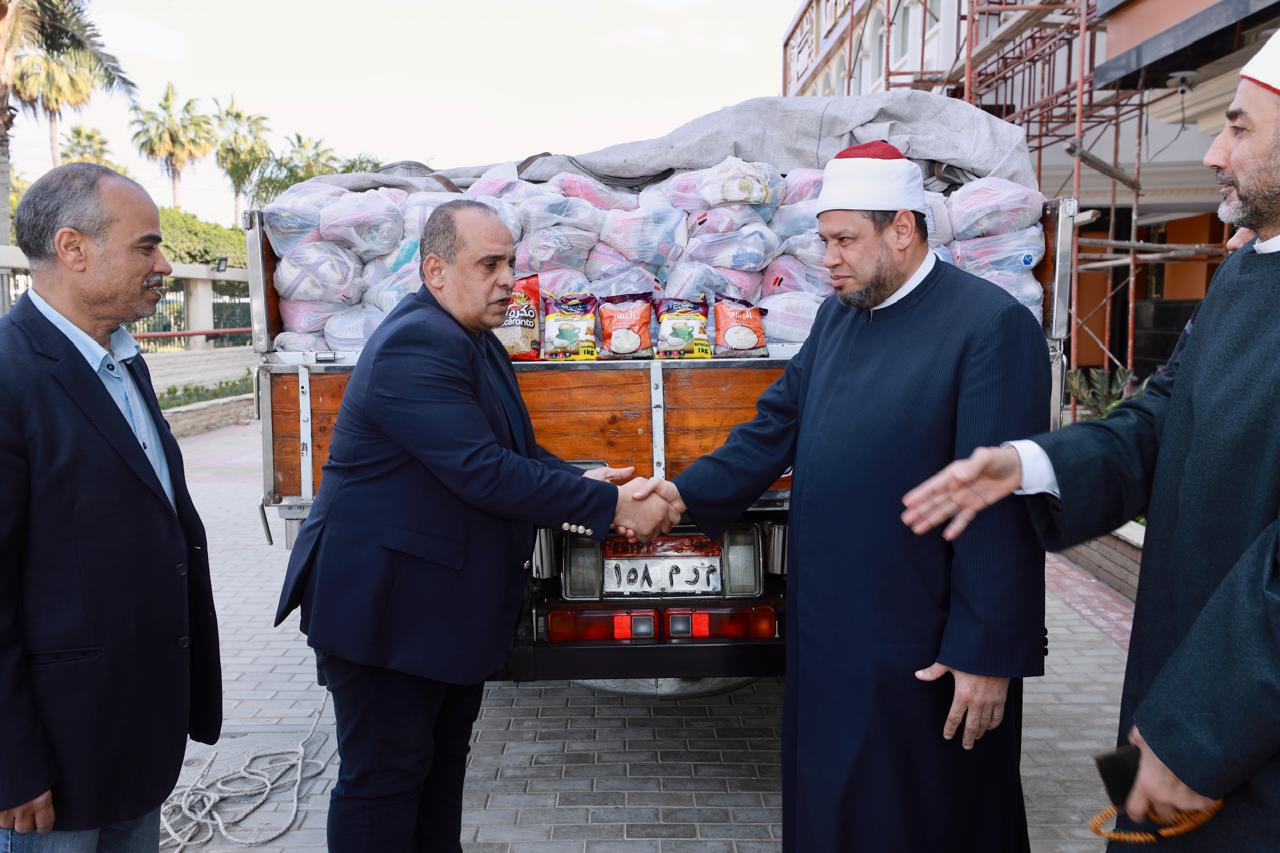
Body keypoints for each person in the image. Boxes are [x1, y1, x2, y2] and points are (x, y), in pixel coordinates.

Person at [901, 32, 1280, 851]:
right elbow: (1160, 421)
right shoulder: (1247, 274)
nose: (1214, 153)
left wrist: (1198, 734)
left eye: (1239, 128)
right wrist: (1032, 462)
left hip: (1233, 731)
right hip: (1178, 701)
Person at [632, 142, 1050, 851]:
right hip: (830, 638)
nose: (828, 258)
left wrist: (986, 653)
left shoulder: (989, 326)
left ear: (902, 228)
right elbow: (775, 426)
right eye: (824, 240)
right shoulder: (839, 317)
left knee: (922, 819)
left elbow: (1001, 507)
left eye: (844, 240)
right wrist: (677, 494)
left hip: (922, 647)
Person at [274, 199, 679, 853]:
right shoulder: (415, 343)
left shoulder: (474, 340)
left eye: (511, 263)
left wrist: (589, 481)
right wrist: (611, 508)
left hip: (435, 609)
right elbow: (481, 470)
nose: (508, 279)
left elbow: (508, 450)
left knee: (437, 776)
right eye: (489, 264)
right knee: (384, 783)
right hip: (385, 611)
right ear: (435, 270)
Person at [0, 163, 222, 850]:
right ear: (73, 248)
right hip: (50, 768)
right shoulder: (9, 375)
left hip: (132, 741)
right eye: (146, 246)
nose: (164, 264)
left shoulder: (123, 360)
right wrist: (11, 763)